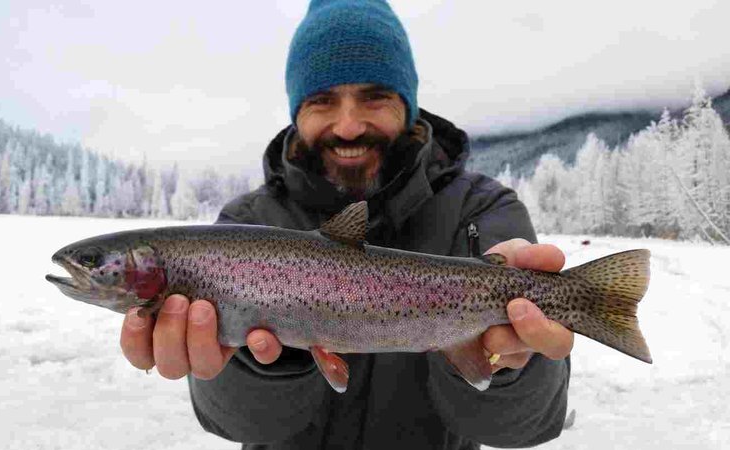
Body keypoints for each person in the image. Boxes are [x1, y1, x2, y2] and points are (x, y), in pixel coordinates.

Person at [120, 0, 573, 448]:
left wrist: (514, 361)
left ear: (408, 105)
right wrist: (265, 360)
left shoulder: (482, 208)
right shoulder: (244, 224)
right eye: (322, 100)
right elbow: (240, 426)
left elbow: (521, 427)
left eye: (374, 96)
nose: (350, 125)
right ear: (297, 113)